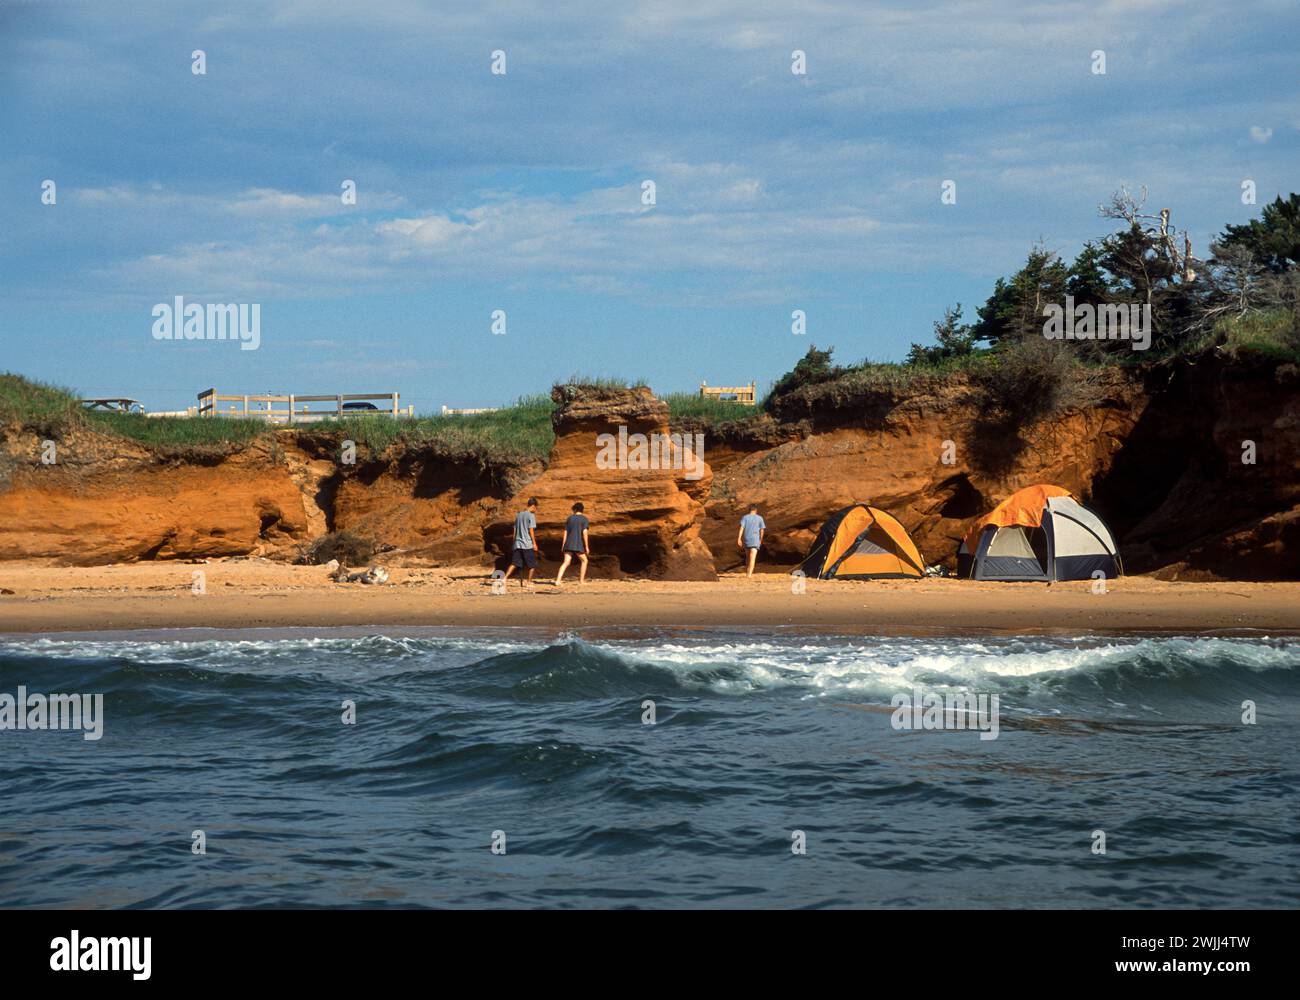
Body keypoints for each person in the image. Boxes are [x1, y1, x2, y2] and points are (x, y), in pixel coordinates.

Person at [501, 497, 540, 587]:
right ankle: (529, 582)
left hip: (517, 543)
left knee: (514, 563)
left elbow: (515, 529)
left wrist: (514, 542)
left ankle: (504, 579)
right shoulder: (531, 515)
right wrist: (534, 543)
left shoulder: (519, 515)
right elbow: (531, 530)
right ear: (533, 506)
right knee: (532, 565)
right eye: (536, 507)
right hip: (527, 544)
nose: (536, 509)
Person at [554, 502, 591, 586]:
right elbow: (585, 533)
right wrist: (586, 546)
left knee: (566, 562)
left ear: (575, 509)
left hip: (568, 543)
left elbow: (566, 532)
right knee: (584, 560)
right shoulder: (584, 519)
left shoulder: (570, 518)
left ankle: (558, 581)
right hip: (578, 544)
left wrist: (563, 544)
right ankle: (581, 581)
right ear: (582, 510)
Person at [737, 503, 766, 577]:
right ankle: (749, 575)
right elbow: (762, 530)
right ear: (756, 510)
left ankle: (747, 573)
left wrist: (739, 538)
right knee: (752, 557)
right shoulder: (760, 518)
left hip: (747, 539)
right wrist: (761, 540)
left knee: (748, 557)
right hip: (755, 539)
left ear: (749, 510)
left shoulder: (745, 517)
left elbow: (741, 528)